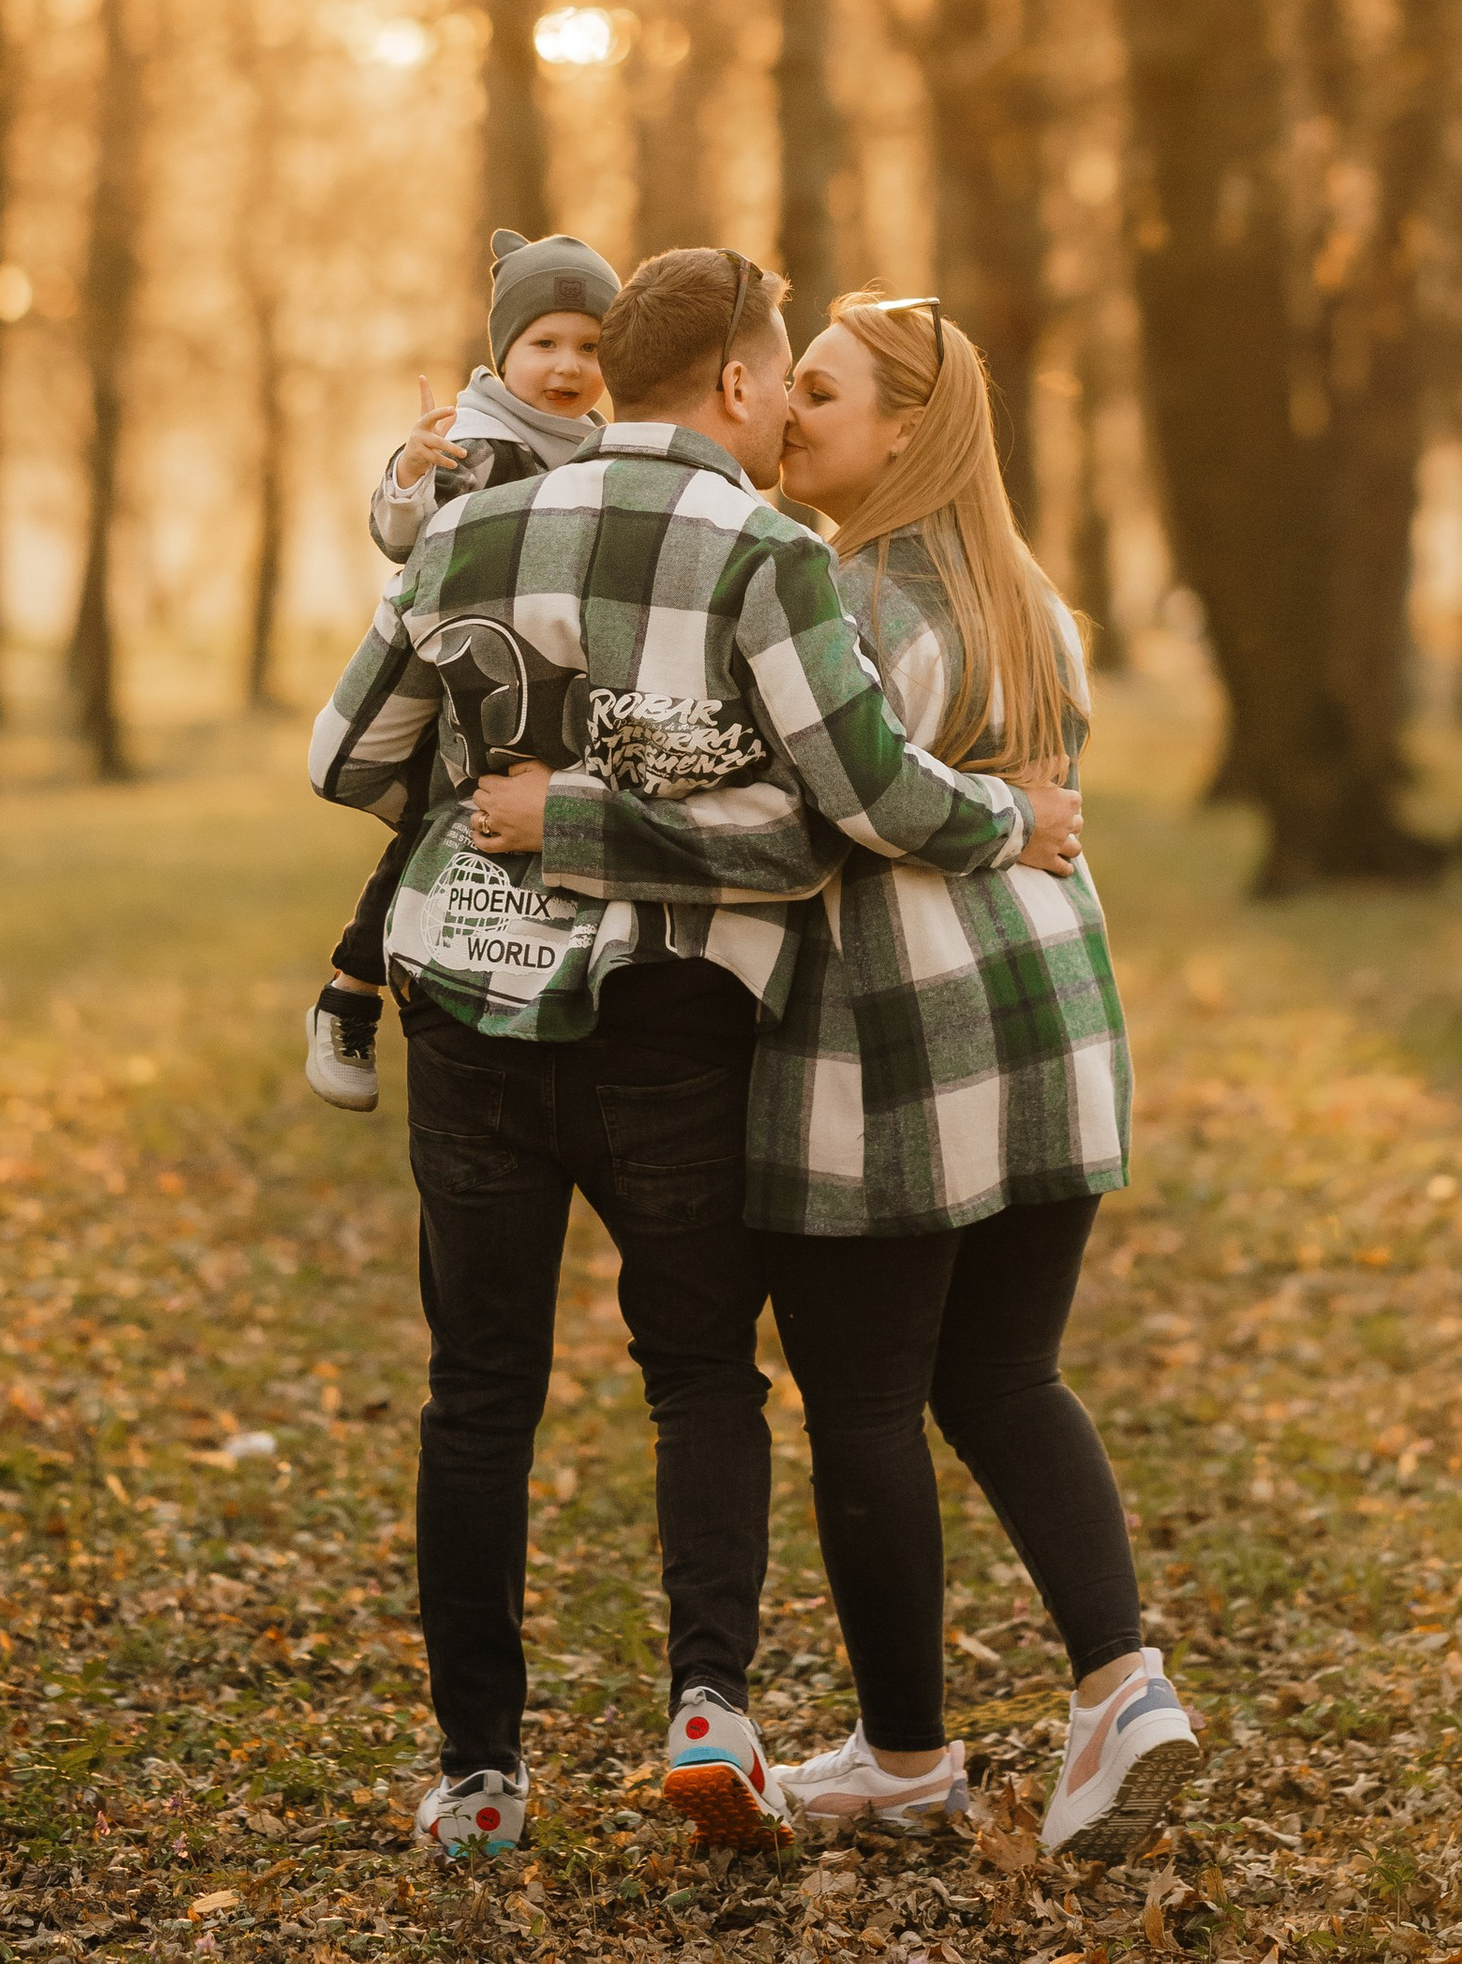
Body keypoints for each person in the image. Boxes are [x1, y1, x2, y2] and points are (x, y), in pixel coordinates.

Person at [309, 246, 1084, 1860]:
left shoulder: (467, 527)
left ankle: (479, 1776)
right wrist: (1013, 819)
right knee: (698, 1371)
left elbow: (347, 754)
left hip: (466, 1005)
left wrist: (492, 792)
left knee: (477, 1389)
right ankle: (709, 1706)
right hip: (668, 1012)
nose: (787, 409)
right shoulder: (766, 553)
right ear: (734, 378)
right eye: (782, 375)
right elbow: (836, 811)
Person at [497, 294, 1195, 1860]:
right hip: (1054, 1019)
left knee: (865, 1403)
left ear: (907, 427)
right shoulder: (1029, 596)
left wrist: (567, 816)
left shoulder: (839, 595)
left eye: (820, 389)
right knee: (1006, 1375)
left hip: (898, 1039)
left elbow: (790, 824)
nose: (788, 410)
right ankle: (1121, 1679)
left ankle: (905, 1753)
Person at [304, 228, 617, 1115]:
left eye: (590, 346)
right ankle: (350, 991)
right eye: (544, 343)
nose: (568, 365)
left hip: (537, 678)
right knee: (436, 821)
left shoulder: (597, 445)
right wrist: (410, 472)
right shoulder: (475, 440)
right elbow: (401, 540)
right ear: (503, 352)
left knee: (489, 825)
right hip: (453, 676)